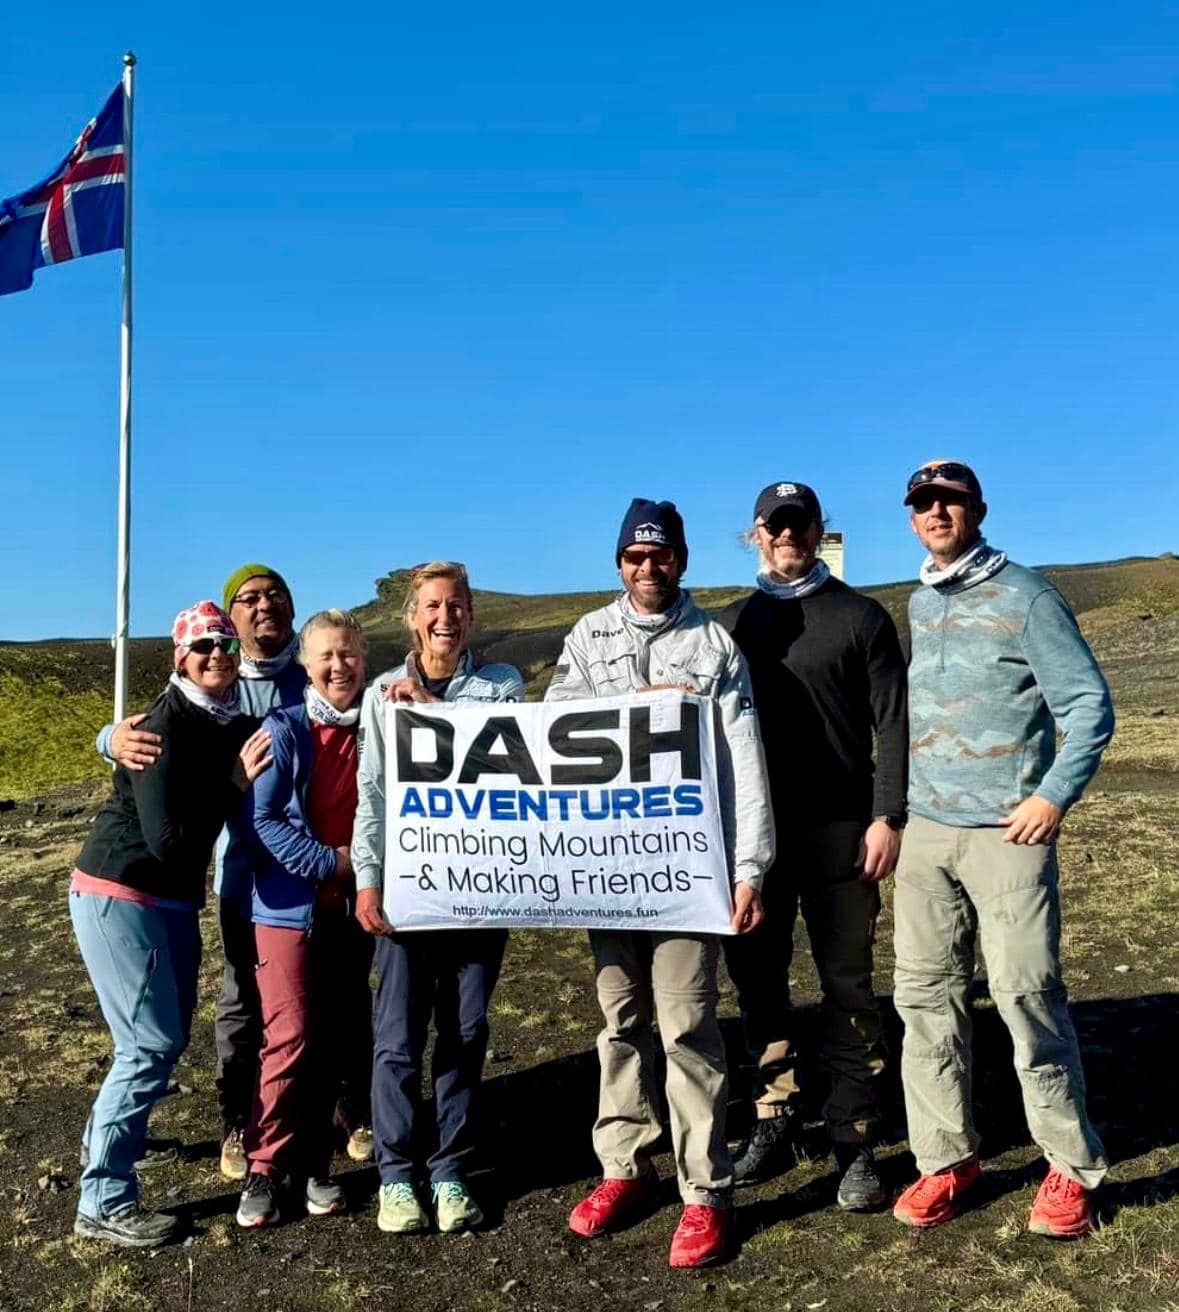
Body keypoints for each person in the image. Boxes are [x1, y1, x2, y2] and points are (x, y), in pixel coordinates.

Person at [546, 499, 775, 1269]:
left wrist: (748, 868)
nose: (648, 568)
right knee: (619, 1021)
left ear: (681, 559)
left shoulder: (712, 644)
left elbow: (743, 760)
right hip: (607, 871)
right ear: (619, 563)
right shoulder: (587, 638)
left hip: (685, 870)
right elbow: (552, 732)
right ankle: (624, 1167)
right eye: (634, 557)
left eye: (661, 555)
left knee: (685, 1025)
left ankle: (704, 1191)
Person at [892, 459, 1113, 1238]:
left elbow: (1087, 703)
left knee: (1025, 995)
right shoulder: (918, 603)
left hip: (1006, 835)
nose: (936, 511)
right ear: (912, 516)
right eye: (923, 503)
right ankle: (945, 1159)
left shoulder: (1026, 595)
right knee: (924, 1000)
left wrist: (1051, 794)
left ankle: (1067, 1165)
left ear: (976, 508)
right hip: (926, 831)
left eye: (949, 500)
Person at [98, 565, 373, 1178]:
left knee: (341, 995)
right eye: (248, 600)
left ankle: (345, 1108)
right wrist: (107, 738)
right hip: (247, 877)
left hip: (329, 882)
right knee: (245, 1000)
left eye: (275, 595)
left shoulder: (318, 673)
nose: (263, 606)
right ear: (232, 620)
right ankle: (239, 1120)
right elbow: (159, 732)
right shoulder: (220, 685)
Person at [717, 481, 907, 1211]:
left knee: (847, 986)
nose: (787, 535)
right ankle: (773, 1113)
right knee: (758, 986)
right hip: (754, 842)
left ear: (818, 529)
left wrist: (886, 815)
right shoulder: (730, 627)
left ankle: (854, 1135)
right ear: (755, 534)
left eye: (798, 524)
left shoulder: (861, 617)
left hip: (842, 833)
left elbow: (892, 723)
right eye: (774, 525)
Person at [70, 602, 272, 1247]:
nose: (217, 654)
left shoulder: (228, 718)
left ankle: (112, 1139)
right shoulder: (164, 724)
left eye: (226, 644)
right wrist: (234, 783)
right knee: (148, 1045)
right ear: (179, 658)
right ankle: (103, 1197)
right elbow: (168, 843)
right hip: (125, 891)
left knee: (160, 1037)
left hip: (170, 902)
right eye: (203, 645)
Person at [351, 562, 525, 1236]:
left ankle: (449, 1172)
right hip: (406, 892)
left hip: (482, 891)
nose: (444, 617)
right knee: (396, 1040)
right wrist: (368, 878)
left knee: (465, 1032)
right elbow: (370, 795)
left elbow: (516, 769)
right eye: (431, 605)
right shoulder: (377, 696)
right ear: (411, 616)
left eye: (456, 605)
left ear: (471, 615)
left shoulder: (502, 686)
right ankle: (396, 1176)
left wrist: (441, 719)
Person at [235, 610, 374, 1227]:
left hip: (352, 913)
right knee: (288, 1036)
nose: (339, 665)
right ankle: (264, 1169)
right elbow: (262, 823)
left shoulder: (382, 727)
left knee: (331, 1037)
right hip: (288, 912)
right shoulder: (283, 729)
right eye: (326, 656)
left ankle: (316, 1164)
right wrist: (332, 864)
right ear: (306, 666)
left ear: (364, 661)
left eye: (349, 654)